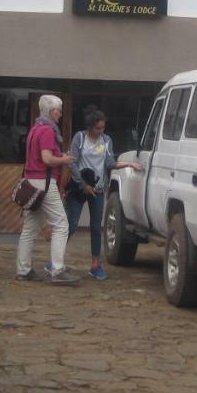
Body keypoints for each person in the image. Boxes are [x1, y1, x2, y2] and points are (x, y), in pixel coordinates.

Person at [64, 107, 142, 280]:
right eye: (98, 128)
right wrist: (83, 184)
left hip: (98, 189)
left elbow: (109, 163)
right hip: (79, 187)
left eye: (103, 128)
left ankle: (95, 264)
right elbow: (72, 163)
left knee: (95, 227)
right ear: (90, 127)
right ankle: (56, 258)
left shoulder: (106, 140)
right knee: (72, 223)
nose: (101, 131)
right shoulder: (80, 138)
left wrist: (129, 165)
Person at [15, 94, 78, 286]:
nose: (60, 115)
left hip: (31, 181)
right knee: (61, 224)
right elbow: (47, 159)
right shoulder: (48, 132)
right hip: (44, 182)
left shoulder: (35, 129)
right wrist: (65, 160)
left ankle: (23, 270)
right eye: (59, 111)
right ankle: (57, 270)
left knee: (30, 228)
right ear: (52, 112)